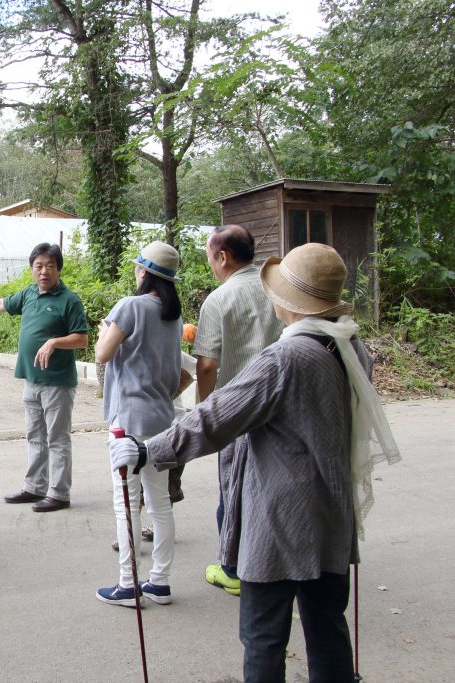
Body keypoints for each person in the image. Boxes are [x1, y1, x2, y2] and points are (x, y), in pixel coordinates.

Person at [109, 243, 400, 682]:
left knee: (263, 636)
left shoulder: (286, 357)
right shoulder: (350, 344)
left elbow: (217, 416)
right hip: (331, 510)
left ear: (287, 300)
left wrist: (151, 450)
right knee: (327, 627)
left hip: (281, 517)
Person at [0, 243, 88, 512]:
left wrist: (54, 342)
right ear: (32, 270)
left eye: (50, 266)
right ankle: (35, 487)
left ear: (58, 269)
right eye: (39, 266)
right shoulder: (29, 294)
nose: (44, 271)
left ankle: (59, 493)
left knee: (57, 438)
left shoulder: (69, 300)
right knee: (35, 435)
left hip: (57, 382)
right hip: (32, 379)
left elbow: (82, 339)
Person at [193, 225, 283, 596]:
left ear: (223, 256)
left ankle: (233, 568)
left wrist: (203, 408)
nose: (211, 264)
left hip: (237, 410)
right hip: (279, 407)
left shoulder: (219, 299)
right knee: (272, 487)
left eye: (210, 257)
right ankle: (274, 560)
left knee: (233, 489)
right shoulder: (278, 289)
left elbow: (208, 366)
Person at [94, 242, 183, 607]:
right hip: (163, 419)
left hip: (128, 420)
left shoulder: (130, 307)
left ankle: (127, 583)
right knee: (159, 502)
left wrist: (105, 329)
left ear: (144, 273)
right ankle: (159, 581)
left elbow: (103, 353)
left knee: (126, 504)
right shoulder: (172, 315)